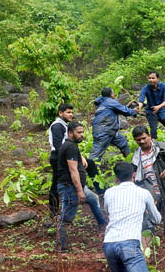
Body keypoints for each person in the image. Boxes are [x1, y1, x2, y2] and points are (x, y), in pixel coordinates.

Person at [131, 125, 165, 269]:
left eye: (143, 138)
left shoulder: (161, 149)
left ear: (149, 136)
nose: (141, 142)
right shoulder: (136, 157)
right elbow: (135, 178)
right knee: (146, 225)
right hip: (150, 196)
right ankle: (145, 258)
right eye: (138, 140)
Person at [57, 121, 107, 253]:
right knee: (67, 218)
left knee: (94, 198)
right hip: (71, 187)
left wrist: (81, 157)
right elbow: (73, 171)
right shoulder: (70, 147)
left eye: (82, 132)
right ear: (70, 133)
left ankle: (102, 225)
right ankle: (61, 248)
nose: (82, 135)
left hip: (74, 185)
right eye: (79, 133)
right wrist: (79, 191)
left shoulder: (70, 146)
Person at [89, 87, 138, 162]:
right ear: (111, 94)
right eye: (113, 92)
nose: (114, 94)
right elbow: (125, 111)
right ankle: (89, 170)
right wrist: (134, 111)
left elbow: (118, 109)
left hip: (109, 130)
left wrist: (128, 106)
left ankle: (131, 162)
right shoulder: (110, 101)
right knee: (96, 153)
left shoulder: (103, 102)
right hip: (104, 131)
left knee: (122, 141)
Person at [137, 71, 165, 150]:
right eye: (149, 78)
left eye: (153, 78)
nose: (151, 80)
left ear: (158, 79)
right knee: (153, 133)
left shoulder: (164, 86)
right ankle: (152, 152)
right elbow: (141, 100)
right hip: (151, 113)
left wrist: (158, 107)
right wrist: (139, 107)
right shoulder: (146, 88)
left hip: (162, 112)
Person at [47, 103, 74, 217]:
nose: (71, 114)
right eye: (68, 112)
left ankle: (61, 209)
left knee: (61, 182)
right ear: (60, 113)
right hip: (58, 157)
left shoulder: (64, 125)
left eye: (72, 112)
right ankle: (54, 210)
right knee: (57, 183)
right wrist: (66, 158)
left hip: (60, 156)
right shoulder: (57, 125)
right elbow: (58, 145)